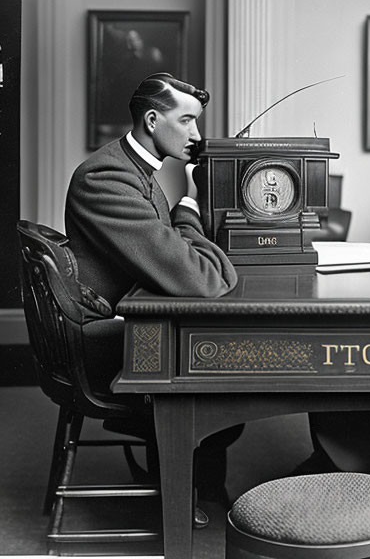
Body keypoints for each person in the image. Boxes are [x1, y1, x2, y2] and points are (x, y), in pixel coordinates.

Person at [65, 73, 241, 529]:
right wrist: (190, 209)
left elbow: (173, 258)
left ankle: (196, 480)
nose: (196, 135)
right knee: (224, 360)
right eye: (187, 121)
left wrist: (186, 220)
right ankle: (183, 489)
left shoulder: (133, 169)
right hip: (103, 346)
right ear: (151, 119)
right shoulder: (106, 178)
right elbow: (201, 280)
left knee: (226, 358)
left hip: (127, 324)